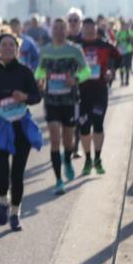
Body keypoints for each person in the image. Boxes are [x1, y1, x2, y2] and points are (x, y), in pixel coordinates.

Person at [0, 33, 43, 231]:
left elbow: (36, 97)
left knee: (17, 174)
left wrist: (24, 96)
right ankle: (3, 201)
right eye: (4, 44)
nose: (7, 48)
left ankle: (15, 213)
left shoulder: (25, 72)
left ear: (17, 49)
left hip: (20, 127)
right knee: (1, 172)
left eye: (11, 45)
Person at [35, 18, 90, 195]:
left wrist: (75, 79)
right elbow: (39, 71)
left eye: (62, 28)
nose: (58, 31)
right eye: (56, 28)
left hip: (70, 101)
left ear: (66, 31)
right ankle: (59, 180)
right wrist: (39, 79)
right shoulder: (45, 50)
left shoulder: (75, 50)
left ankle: (67, 159)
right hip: (51, 101)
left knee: (68, 141)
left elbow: (86, 71)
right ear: (51, 31)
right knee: (54, 140)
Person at [78, 18, 122, 175]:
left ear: (96, 30)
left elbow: (118, 57)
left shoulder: (104, 45)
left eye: (92, 29)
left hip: (99, 91)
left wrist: (111, 70)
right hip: (80, 93)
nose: (90, 31)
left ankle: (97, 158)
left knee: (97, 123)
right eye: (87, 29)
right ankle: (87, 160)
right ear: (82, 30)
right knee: (84, 126)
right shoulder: (76, 46)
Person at [115, 17, 133, 85]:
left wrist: (132, 40)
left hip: (128, 51)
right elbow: (116, 41)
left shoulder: (130, 32)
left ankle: (127, 81)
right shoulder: (118, 33)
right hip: (120, 52)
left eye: (124, 25)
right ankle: (122, 81)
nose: (123, 26)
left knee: (127, 66)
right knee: (121, 67)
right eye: (122, 25)